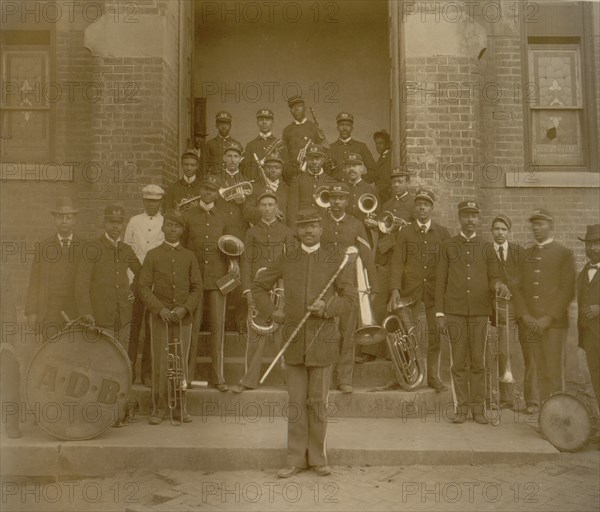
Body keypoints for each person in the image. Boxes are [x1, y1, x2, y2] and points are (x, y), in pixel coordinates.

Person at [252, 208, 354, 478]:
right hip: (294, 340)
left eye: (314, 226)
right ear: (297, 231)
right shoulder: (287, 256)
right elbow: (258, 287)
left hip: (323, 342)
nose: (309, 231)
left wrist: (327, 306)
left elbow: (349, 299)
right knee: (296, 402)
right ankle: (295, 459)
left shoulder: (335, 258)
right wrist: (272, 313)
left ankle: (318, 458)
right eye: (304, 226)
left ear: (321, 229)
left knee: (318, 402)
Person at [435, 200, 507, 424]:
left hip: (479, 312)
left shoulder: (486, 247)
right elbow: (440, 282)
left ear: (478, 219)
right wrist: (439, 313)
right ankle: (461, 409)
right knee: (457, 362)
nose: (469, 220)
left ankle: (478, 409)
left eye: (473, 216)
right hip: (454, 311)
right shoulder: (448, 246)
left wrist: (498, 285)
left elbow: (494, 276)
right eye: (465, 215)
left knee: (478, 362)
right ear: (459, 218)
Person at [139, 210, 203, 425]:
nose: (173, 229)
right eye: (169, 225)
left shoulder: (189, 256)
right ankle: (158, 409)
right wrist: (160, 309)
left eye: (177, 226)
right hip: (160, 319)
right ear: (163, 228)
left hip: (183, 319)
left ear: (182, 230)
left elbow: (197, 288)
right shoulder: (153, 255)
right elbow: (143, 287)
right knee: (160, 363)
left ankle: (180, 408)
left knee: (180, 366)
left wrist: (185, 309)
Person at [232, 190, 296, 393]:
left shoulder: (287, 232)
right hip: (259, 291)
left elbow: (293, 261)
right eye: (264, 205)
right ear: (258, 209)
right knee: (255, 335)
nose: (267, 209)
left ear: (277, 208)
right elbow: (247, 262)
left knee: (282, 336)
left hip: (280, 290)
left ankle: (291, 380)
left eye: (271, 205)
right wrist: (248, 291)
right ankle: (249, 379)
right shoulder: (251, 233)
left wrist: (286, 288)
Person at [512, 209, 576, 409]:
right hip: (532, 324)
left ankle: (558, 418)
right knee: (540, 371)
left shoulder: (564, 253)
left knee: (555, 373)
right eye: (534, 224)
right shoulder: (526, 254)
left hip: (554, 325)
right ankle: (545, 416)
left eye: (540, 223)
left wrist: (547, 319)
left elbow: (567, 290)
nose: (536, 228)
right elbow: (517, 287)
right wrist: (525, 316)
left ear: (551, 226)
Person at [388, 189, 450, 391]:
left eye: (426, 204)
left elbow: (448, 265)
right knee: (406, 334)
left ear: (432, 208)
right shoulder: (405, 232)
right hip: (410, 290)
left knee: (435, 334)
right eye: (419, 204)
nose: (422, 207)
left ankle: (433, 376)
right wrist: (395, 289)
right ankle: (407, 374)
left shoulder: (442, 233)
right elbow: (397, 262)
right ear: (414, 208)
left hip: (434, 291)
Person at [181, 175, 238, 392]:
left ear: (217, 193)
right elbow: (184, 248)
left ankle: (218, 378)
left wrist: (229, 277)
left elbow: (231, 250)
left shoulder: (223, 217)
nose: (208, 193)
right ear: (200, 190)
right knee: (191, 329)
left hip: (217, 280)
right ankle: (186, 377)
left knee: (217, 328)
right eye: (205, 188)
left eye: (213, 190)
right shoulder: (187, 216)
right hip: (193, 281)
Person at [321, 183, 376, 393]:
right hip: (323, 282)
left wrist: (373, 284)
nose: (337, 202)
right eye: (333, 197)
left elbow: (366, 254)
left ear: (347, 201)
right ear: (329, 200)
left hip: (348, 284)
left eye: (341, 198)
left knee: (347, 330)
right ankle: (324, 375)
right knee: (325, 329)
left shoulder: (355, 224)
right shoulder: (320, 222)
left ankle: (344, 378)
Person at [76, 205, 142, 352]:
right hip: (101, 316)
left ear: (122, 225)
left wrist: (133, 290)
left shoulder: (126, 249)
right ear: (105, 223)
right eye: (111, 222)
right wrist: (87, 312)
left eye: (119, 223)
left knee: (122, 358)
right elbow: (82, 283)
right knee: (103, 358)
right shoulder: (93, 248)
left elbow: (142, 273)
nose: (115, 227)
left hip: (124, 316)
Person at [25, 198, 84, 341]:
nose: (64, 221)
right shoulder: (44, 246)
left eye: (68, 218)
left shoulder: (84, 246)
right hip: (50, 308)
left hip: (75, 308)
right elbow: (35, 281)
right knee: (50, 350)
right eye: (60, 217)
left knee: (73, 348)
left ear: (74, 220)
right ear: (54, 220)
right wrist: (32, 311)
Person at [124, 184, 166, 385]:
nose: (151, 204)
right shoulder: (134, 222)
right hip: (135, 281)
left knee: (151, 328)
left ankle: (148, 372)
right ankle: (129, 369)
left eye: (155, 201)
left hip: (155, 284)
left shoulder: (165, 223)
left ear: (160, 202)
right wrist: (130, 281)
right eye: (148, 200)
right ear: (143, 201)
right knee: (133, 327)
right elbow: (127, 250)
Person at [489, 214, 528, 411]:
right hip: (500, 307)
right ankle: (506, 397)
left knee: (524, 352)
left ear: (509, 232)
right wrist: (496, 284)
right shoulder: (487, 252)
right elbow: (487, 276)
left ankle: (525, 397)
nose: (500, 233)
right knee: (505, 350)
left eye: (503, 229)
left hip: (521, 306)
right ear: (491, 231)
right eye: (496, 229)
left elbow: (526, 277)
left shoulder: (518, 251)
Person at [577, 224, 600, 410]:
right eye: (589, 244)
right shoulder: (584, 272)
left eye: (597, 243)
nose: (593, 248)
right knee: (596, 381)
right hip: (590, 337)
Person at [243, 151, 293, 226]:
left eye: (277, 167)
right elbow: (247, 213)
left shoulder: (288, 189)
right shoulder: (254, 187)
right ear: (263, 169)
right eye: (269, 167)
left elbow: (292, 214)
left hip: (282, 233)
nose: (273, 170)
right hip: (261, 232)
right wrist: (268, 212)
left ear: (282, 170)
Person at [241, 108, 288, 182]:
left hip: (276, 186)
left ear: (273, 122)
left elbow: (286, 168)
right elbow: (247, 170)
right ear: (257, 123)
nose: (264, 122)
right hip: (256, 186)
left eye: (267, 120)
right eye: (261, 120)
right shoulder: (250, 145)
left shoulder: (280, 144)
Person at [328, 113, 376, 179]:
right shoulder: (330, 148)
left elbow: (373, 171)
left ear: (352, 128)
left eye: (348, 125)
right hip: (335, 188)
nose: (345, 128)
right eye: (342, 125)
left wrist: (359, 183)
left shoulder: (361, 147)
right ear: (337, 128)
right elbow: (324, 172)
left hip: (355, 189)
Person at [282, 96, 323, 169]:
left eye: (299, 106)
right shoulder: (287, 130)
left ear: (305, 108)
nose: (296, 109)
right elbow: (285, 155)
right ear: (290, 111)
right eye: (293, 107)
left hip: (312, 171)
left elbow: (321, 153)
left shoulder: (314, 127)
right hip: (293, 174)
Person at [366, 129, 392, 203]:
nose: (378, 146)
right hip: (381, 196)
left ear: (387, 144)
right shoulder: (379, 160)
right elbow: (372, 176)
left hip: (388, 196)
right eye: (376, 143)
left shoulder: (391, 158)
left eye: (381, 143)